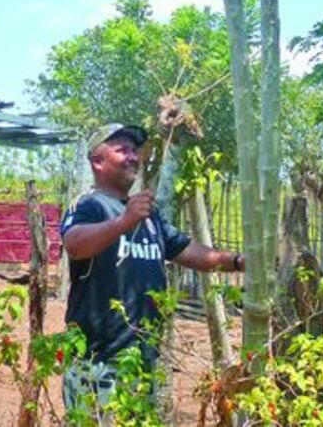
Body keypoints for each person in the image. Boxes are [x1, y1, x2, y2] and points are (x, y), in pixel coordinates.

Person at [60, 123, 243, 417]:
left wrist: (237, 261)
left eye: (135, 150)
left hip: (142, 360)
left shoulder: (149, 216)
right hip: (99, 362)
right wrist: (123, 222)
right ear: (97, 161)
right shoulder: (89, 205)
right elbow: (74, 244)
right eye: (122, 150)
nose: (133, 156)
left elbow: (190, 251)